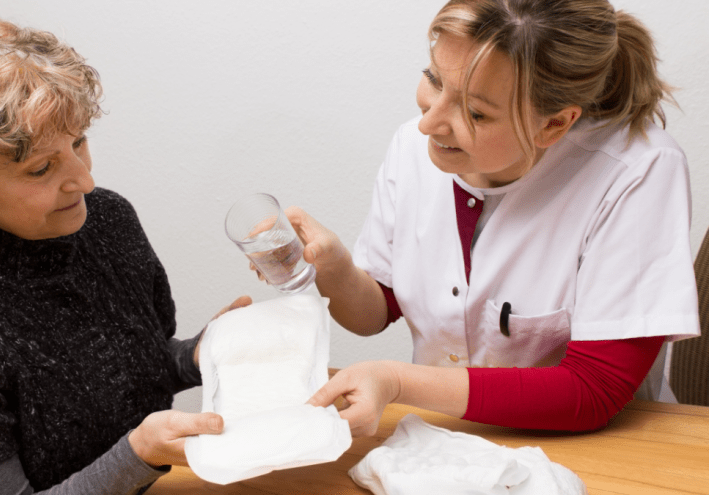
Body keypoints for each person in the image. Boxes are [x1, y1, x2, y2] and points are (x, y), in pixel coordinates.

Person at [0, 13, 249, 494]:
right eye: (42, 168)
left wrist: (203, 355)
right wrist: (140, 454)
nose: (84, 181)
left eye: (79, 142)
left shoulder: (106, 220)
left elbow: (134, 371)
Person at [290, 0, 701, 436]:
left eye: (474, 112)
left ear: (554, 124)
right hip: (442, 442)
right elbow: (378, 309)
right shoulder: (413, 147)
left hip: (596, 452)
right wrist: (333, 268)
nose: (428, 123)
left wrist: (397, 381)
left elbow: (593, 391)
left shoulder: (636, 170)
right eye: (433, 78)